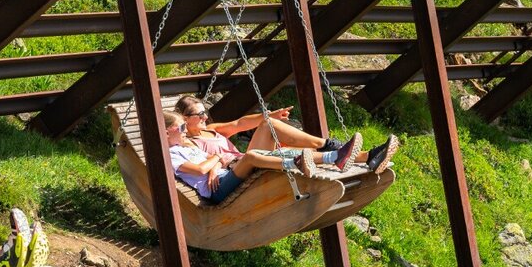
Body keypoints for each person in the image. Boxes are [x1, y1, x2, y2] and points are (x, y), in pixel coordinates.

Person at [173, 94, 398, 175]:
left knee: (297, 148)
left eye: (204, 112)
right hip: (239, 169)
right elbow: (199, 167)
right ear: (184, 118)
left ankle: (368, 157)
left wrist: (268, 114)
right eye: (198, 114)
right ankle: (333, 146)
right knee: (269, 127)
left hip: (248, 159)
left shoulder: (210, 129)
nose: (204, 117)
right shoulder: (186, 143)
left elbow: (239, 123)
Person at [165, 111, 317, 204]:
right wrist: (216, 158)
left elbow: (215, 159)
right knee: (250, 157)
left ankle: (328, 156)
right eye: (182, 127)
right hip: (217, 189)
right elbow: (200, 169)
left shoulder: (185, 148)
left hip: (224, 175)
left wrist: (215, 163)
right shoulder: (171, 155)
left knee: (278, 150)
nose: (185, 131)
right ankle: (294, 163)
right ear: (166, 133)